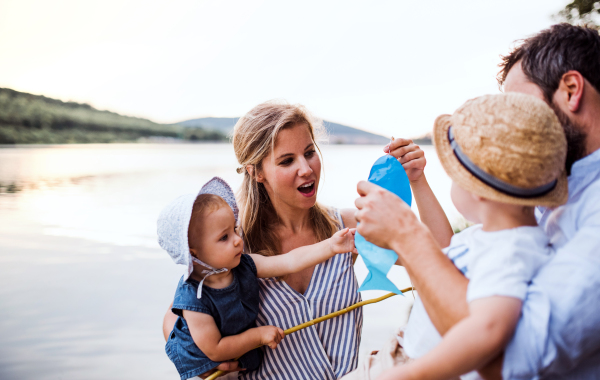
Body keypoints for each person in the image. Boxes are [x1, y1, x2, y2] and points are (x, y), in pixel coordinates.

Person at [354, 23, 600, 378]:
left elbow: (506, 358)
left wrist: (406, 234)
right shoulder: (543, 189)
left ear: (572, 90)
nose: (512, 121)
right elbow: (454, 259)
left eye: (518, 104)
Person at [165, 102, 399, 379]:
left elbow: (443, 257)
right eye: (287, 161)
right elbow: (174, 318)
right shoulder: (232, 247)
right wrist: (202, 359)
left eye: (310, 153)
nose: (306, 169)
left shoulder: (344, 228)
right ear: (256, 172)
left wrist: (417, 181)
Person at [158, 177, 357, 380]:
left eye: (234, 230)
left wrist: (331, 246)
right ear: (195, 254)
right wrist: (259, 336)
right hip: (208, 362)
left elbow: (289, 261)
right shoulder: (194, 299)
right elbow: (215, 350)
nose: (237, 240)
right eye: (224, 237)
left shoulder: (243, 265)